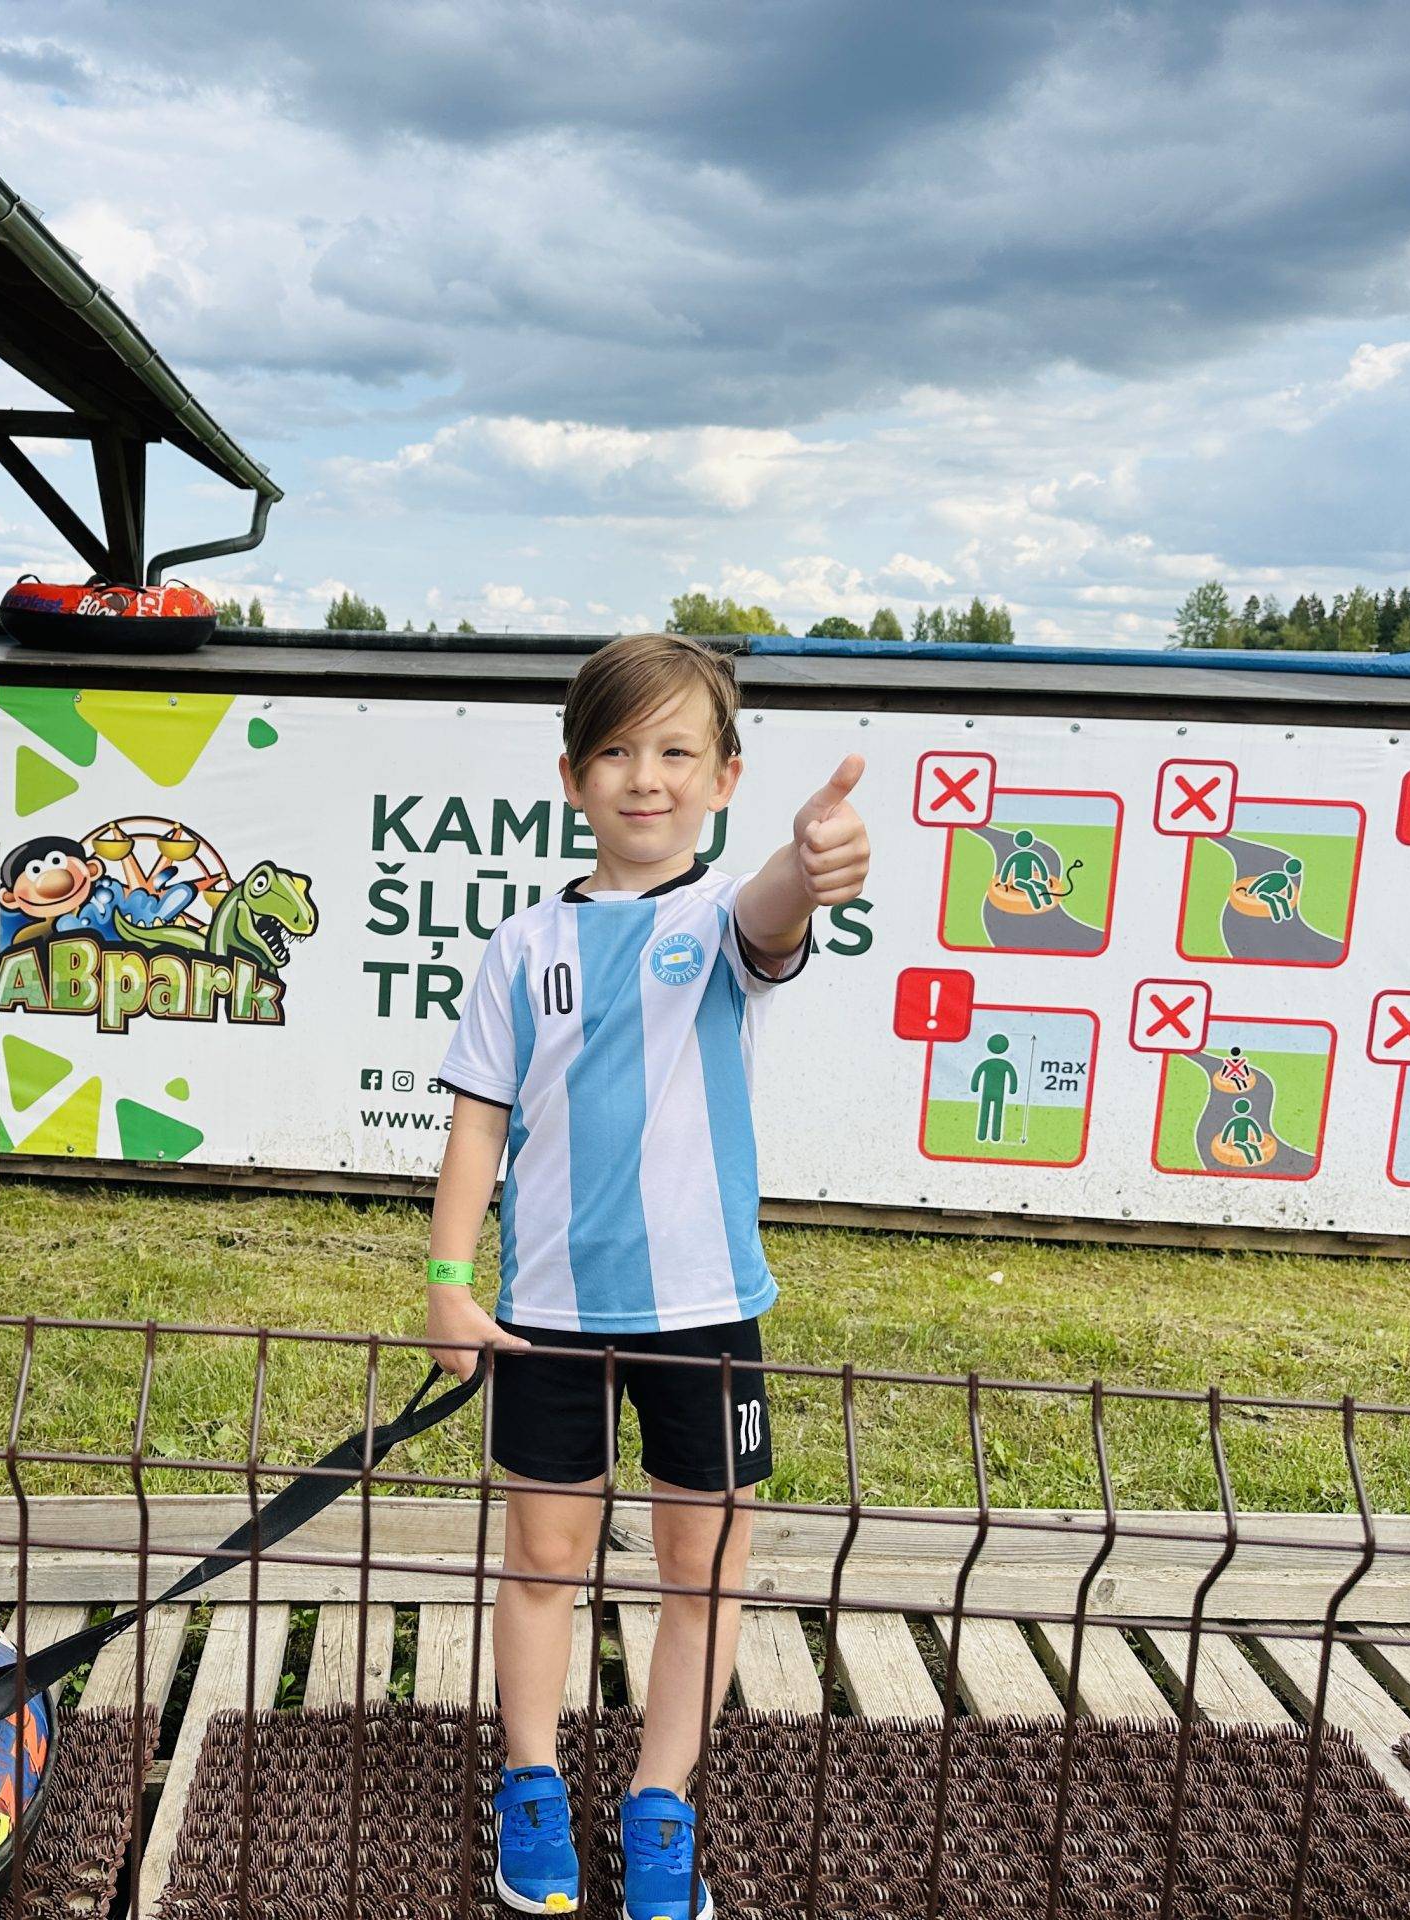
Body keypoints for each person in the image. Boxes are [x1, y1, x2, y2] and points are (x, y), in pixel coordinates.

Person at [424, 631, 869, 1920]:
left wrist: (812, 857)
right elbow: (475, 1126)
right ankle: (530, 1782)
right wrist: (453, 1282)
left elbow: (780, 900)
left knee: (703, 1567)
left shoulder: (722, 924)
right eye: (615, 751)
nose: (644, 777)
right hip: (546, 1319)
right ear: (571, 777)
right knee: (543, 1559)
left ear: (723, 778)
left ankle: (662, 1799)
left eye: (676, 751)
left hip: (707, 1314)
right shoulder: (519, 946)